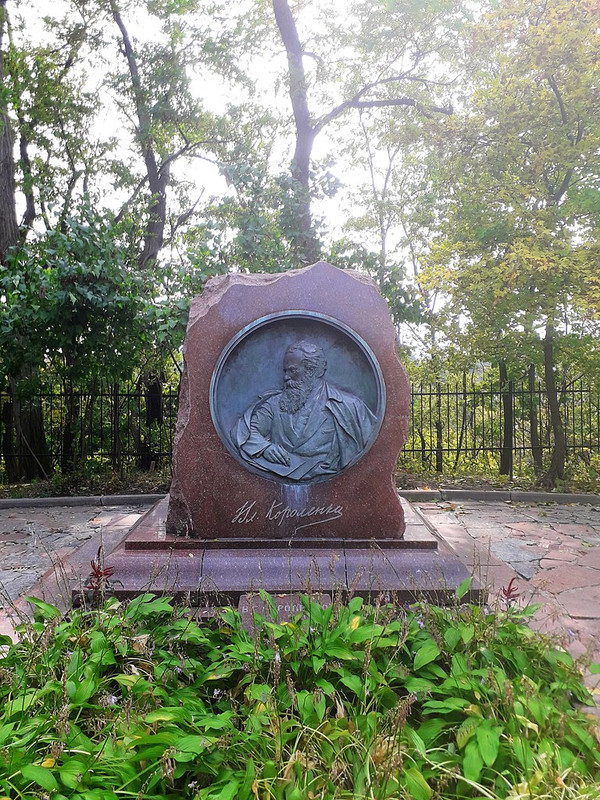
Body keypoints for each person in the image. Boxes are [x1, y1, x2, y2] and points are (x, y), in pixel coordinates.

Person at [232, 340, 377, 480]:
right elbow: (245, 432)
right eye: (285, 371)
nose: (286, 377)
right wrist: (264, 447)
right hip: (279, 471)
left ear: (312, 371)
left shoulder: (351, 407)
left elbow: (371, 446)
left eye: (292, 371)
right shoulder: (274, 403)